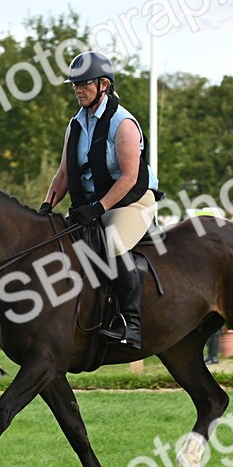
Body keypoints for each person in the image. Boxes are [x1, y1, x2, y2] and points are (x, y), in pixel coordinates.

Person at [40, 51, 158, 349]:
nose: (78, 89)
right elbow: (64, 174)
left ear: (103, 84)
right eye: (75, 85)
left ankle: (131, 325)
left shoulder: (123, 123)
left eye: (84, 84)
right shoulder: (76, 124)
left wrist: (98, 208)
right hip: (94, 206)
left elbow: (129, 177)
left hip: (132, 201)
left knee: (113, 242)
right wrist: (45, 208)